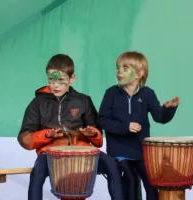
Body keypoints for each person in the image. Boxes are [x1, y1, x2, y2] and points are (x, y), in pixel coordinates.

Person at [18, 54, 124, 200]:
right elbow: (25, 139)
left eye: (60, 80)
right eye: (51, 80)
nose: (55, 85)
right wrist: (46, 135)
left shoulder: (83, 100)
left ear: (72, 78)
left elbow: (98, 140)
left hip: (83, 153)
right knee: (37, 173)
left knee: (112, 164)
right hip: (51, 155)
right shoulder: (37, 103)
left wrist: (91, 133)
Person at [98, 51, 180, 200]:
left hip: (141, 152)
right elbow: (103, 120)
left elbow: (159, 117)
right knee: (130, 180)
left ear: (139, 74)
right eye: (118, 68)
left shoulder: (147, 94)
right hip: (119, 152)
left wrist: (169, 109)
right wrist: (125, 127)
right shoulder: (111, 93)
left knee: (151, 185)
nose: (119, 72)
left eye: (125, 68)